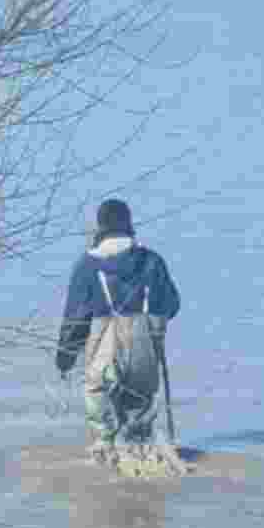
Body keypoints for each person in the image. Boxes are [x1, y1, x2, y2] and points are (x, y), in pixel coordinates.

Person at [57, 197, 180, 460]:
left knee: (96, 388)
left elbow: (76, 320)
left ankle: (106, 445)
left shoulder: (87, 267)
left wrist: (65, 358)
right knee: (140, 400)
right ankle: (141, 445)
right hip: (145, 348)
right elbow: (172, 305)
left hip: (106, 351)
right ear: (128, 226)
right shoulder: (152, 262)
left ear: (99, 229)